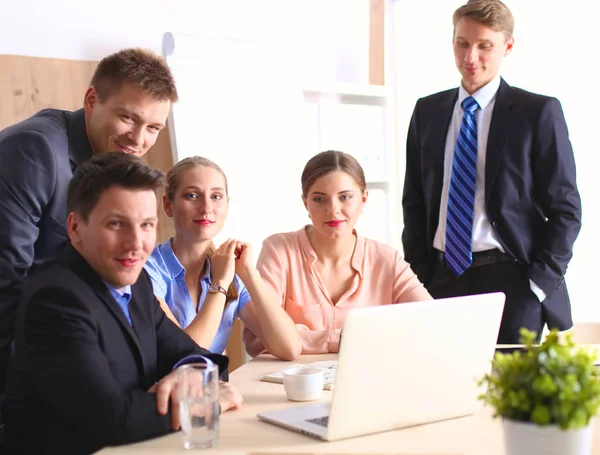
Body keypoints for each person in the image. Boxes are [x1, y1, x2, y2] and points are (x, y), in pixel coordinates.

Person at [2, 153, 243, 454]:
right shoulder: (56, 299)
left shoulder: (136, 281)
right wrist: (207, 400)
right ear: (75, 228)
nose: (136, 243)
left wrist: (190, 374)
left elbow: (192, 354)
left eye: (146, 225)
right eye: (117, 224)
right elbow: (110, 418)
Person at [401, 0, 581, 343]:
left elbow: (566, 209)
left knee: (507, 395)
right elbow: (415, 201)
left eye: (485, 46)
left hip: (512, 283)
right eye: (463, 43)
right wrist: (419, 274)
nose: (471, 57)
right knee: (442, 390)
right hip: (440, 280)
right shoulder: (428, 111)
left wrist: (538, 284)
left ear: (507, 46)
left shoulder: (537, 113)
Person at [0, 47, 177, 393]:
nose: (139, 140)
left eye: (153, 127)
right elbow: (5, 283)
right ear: (92, 100)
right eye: (128, 118)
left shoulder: (117, 163)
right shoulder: (33, 152)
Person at [244, 150, 432, 355]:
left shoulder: (388, 260)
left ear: (363, 199)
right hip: (290, 383)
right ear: (305, 202)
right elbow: (259, 339)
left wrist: (304, 337)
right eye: (319, 199)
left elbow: (430, 322)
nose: (333, 209)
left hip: (369, 377)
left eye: (344, 197)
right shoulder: (278, 251)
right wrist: (347, 339)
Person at [144, 156, 302, 360]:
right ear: (168, 205)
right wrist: (219, 284)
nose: (206, 208)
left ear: (227, 205)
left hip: (215, 390)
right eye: (192, 195)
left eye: (216, 196)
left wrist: (249, 275)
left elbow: (289, 349)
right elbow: (185, 358)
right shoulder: (148, 271)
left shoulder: (229, 268)